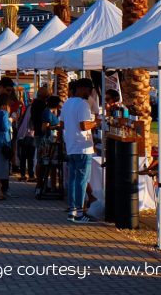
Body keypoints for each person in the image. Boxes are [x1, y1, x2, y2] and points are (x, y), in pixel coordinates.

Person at [62, 78, 97, 223]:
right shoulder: (82, 104)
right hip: (82, 147)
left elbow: (62, 124)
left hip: (71, 146)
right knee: (82, 180)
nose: (90, 94)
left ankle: (72, 210)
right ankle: (79, 212)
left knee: (73, 179)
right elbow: (84, 126)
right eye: (89, 91)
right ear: (83, 89)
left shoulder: (67, 102)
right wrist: (96, 122)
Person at [17, 87, 46, 182]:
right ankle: (31, 175)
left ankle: (22, 174)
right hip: (31, 133)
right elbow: (34, 121)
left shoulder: (30, 106)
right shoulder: (40, 107)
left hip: (22, 133)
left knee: (23, 155)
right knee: (30, 155)